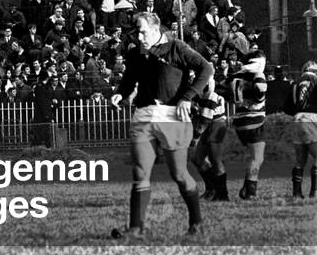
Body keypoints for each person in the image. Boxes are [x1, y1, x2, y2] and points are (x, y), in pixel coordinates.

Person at [110, 12, 213, 239]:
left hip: (172, 117)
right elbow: (130, 78)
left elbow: (207, 69)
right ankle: (136, 228)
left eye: (143, 31)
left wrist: (187, 97)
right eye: (136, 32)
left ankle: (197, 224)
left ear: (156, 30)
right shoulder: (136, 53)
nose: (139, 36)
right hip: (143, 116)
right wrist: (120, 94)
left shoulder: (177, 47)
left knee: (178, 173)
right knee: (140, 172)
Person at [223, 52, 267, 200]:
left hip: (240, 121)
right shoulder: (258, 75)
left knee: (254, 158)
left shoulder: (236, 76)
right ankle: (251, 192)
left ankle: (246, 188)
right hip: (254, 120)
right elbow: (259, 94)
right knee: (257, 158)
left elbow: (223, 88)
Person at [190, 74, 229, 201]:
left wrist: (195, 137)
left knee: (216, 161)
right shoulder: (202, 93)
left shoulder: (210, 94)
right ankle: (211, 189)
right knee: (198, 159)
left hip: (215, 125)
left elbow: (205, 120)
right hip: (210, 125)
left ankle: (223, 195)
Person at [288, 61, 317, 199]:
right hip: (311, 118)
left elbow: (286, 107)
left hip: (297, 119)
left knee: (300, 160)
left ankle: (297, 193)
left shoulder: (295, 83)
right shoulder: (315, 79)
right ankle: (314, 192)